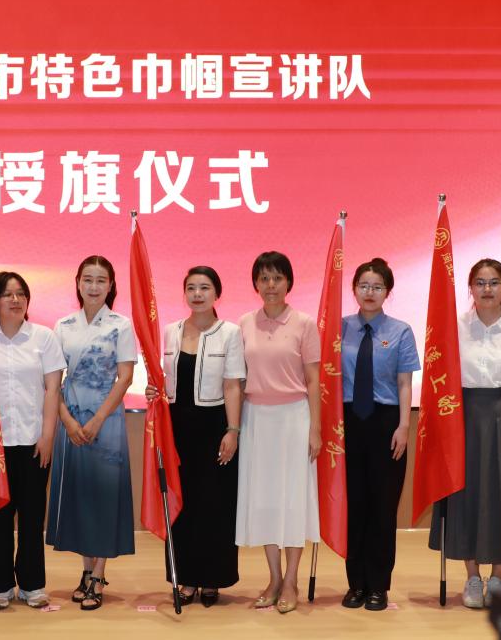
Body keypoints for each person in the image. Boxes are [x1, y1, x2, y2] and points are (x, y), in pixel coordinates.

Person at [429, 258, 501, 609]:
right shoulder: (455, 326)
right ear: (470, 288)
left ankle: (498, 578)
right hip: (464, 418)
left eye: (494, 282)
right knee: (467, 496)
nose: (487, 289)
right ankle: (472, 577)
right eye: (480, 282)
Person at [146, 266, 245, 607]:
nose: (198, 294)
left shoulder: (229, 332)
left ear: (217, 293)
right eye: (191, 288)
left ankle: (213, 578)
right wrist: (153, 391)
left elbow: (233, 386)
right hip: (176, 428)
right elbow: (163, 382)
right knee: (181, 504)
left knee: (215, 504)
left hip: (215, 427)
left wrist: (233, 430)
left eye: (205, 288)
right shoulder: (170, 331)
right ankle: (185, 578)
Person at [47, 255, 137, 611]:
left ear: (111, 285)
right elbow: (53, 379)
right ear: (78, 283)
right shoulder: (63, 325)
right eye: (88, 279)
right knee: (80, 496)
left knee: (103, 496)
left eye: (101, 280)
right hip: (70, 417)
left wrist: (98, 419)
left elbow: (125, 377)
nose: (94, 286)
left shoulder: (121, 325)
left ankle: (99, 574)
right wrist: (67, 421)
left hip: (106, 420)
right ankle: (86, 570)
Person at [235, 251, 321, 615]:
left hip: (294, 419)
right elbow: (237, 380)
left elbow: (314, 380)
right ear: (255, 283)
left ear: (289, 283)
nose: (271, 285)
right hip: (256, 419)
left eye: (277, 278)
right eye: (264, 278)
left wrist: (315, 428)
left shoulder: (304, 323)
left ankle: (291, 580)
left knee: (293, 500)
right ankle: (273, 578)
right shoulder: (244, 324)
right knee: (265, 501)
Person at [0, 271, 65, 610]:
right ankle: (0, 584)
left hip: (33, 441)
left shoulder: (43, 337)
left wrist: (48, 435)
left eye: (20, 294)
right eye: (7, 294)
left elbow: (52, 390)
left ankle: (32, 584)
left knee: (31, 516)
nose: (15, 300)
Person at [339, 257, 419, 611]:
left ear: (388, 292)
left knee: (383, 508)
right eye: (363, 286)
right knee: (354, 506)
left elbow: (404, 383)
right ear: (354, 289)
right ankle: (355, 583)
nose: (369, 292)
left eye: (377, 287)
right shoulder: (339, 328)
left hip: (387, 424)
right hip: (348, 423)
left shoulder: (400, 331)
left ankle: (378, 586)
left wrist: (404, 426)